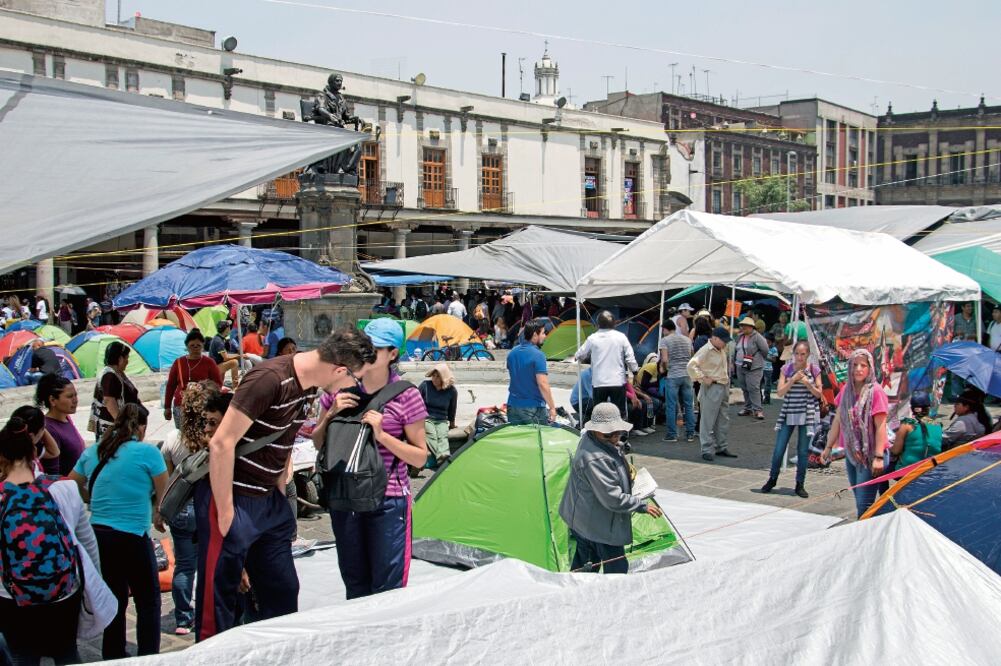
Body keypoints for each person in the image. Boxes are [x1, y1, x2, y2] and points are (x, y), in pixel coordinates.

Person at [198, 328, 375, 639]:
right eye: (354, 378)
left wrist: (280, 488)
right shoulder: (268, 378)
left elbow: (286, 436)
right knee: (220, 603)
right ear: (339, 370)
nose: (355, 387)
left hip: (269, 502)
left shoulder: (308, 388)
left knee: (282, 590)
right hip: (235, 499)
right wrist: (226, 513)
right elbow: (221, 443)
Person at [312, 319, 428, 599]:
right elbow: (317, 443)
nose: (367, 355)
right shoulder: (338, 391)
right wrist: (329, 415)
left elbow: (421, 457)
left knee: (387, 588)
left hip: (387, 499)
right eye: (364, 348)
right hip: (346, 497)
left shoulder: (406, 395)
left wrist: (383, 436)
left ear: (393, 354)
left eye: (375, 349)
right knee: (355, 584)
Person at [0, 414, 106, 666]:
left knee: (23, 655)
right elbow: (88, 543)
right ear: (34, 454)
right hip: (62, 590)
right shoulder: (65, 488)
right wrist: (94, 585)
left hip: (11, 595)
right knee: (66, 652)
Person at [69, 404, 167, 659]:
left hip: (99, 536)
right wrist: (157, 511)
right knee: (148, 601)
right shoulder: (147, 452)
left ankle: (112, 655)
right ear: (141, 427)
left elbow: (70, 485)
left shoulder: (94, 452)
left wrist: (89, 496)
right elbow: (163, 492)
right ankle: (149, 656)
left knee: (114, 599)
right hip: (133, 535)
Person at [558, 402, 664, 574]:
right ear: (596, 430)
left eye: (618, 433)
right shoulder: (594, 459)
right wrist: (641, 505)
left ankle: (579, 593)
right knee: (615, 568)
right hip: (595, 523)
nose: (615, 438)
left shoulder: (592, 438)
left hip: (585, 518)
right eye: (609, 435)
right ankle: (607, 597)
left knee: (586, 565)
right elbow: (612, 498)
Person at [160, 382, 222, 636]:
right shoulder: (213, 437)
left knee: (184, 565)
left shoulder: (173, 439)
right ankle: (207, 611)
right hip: (206, 508)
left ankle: (183, 619)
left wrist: (159, 510)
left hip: (180, 511)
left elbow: (166, 480)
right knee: (210, 562)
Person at [821, 349, 889, 518]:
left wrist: (879, 457)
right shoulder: (846, 391)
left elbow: (881, 426)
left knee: (864, 504)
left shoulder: (876, 391)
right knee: (860, 498)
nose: (858, 369)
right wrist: (828, 447)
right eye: (855, 365)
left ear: (870, 368)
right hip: (852, 453)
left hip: (871, 455)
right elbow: (838, 420)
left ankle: (866, 538)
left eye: (863, 365)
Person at [761, 340, 823, 498]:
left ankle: (799, 484)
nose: (800, 357)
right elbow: (780, 392)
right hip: (789, 412)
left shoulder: (814, 370)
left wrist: (808, 384)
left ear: (808, 354)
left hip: (806, 414)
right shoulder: (786, 368)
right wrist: (792, 380)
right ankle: (772, 478)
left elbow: (819, 394)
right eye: (797, 354)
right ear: (793, 354)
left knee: (802, 452)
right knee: (779, 448)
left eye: (803, 354)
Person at [574, 311, 639, 417]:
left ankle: (602, 433)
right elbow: (630, 358)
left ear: (598, 324)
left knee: (600, 413)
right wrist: (635, 371)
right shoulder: (621, 337)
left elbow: (580, 354)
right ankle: (619, 433)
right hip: (617, 382)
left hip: (599, 382)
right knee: (619, 413)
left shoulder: (593, 338)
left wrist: (578, 357)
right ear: (614, 323)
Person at [687, 327, 738, 462]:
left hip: (722, 385)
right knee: (707, 420)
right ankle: (706, 449)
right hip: (712, 387)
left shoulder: (720, 349)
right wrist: (703, 378)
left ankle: (721, 446)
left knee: (723, 419)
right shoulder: (705, 350)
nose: (725, 344)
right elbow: (691, 365)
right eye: (723, 341)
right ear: (715, 338)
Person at [164, 329, 224, 429]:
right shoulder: (179, 362)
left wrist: (205, 390)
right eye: (192, 346)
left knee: (201, 433)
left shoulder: (209, 362)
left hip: (203, 405)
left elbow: (217, 384)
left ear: (203, 346)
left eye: (198, 345)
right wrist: (167, 407)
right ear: (187, 346)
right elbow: (170, 386)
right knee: (182, 435)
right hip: (181, 405)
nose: (195, 348)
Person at [506, 320, 557, 425]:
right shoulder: (538, 355)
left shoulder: (512, 353)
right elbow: (542, 383)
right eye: (543, 333)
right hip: (532, 408)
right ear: (535, 335)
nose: (545, 336)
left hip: (513, 406)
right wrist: (552, 407)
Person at [89, 340, 140, 441]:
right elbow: (108, 400)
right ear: (120, 359)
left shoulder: (117, 373)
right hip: (111, 430)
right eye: (126, 358)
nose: (127, 361)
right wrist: (121, 425)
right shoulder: (109, 376)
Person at [36, 374, 85, 476]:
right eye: (69, 396)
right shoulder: (49, 429)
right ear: (53, 400)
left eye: (75, 395)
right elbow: (53, 471)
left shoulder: (67, 418)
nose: (75, 400)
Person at [659, 318, 695, 443]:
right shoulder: (687, 339)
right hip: (687, 375)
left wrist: (665, 369)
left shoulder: (664, 341)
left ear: (665, 329)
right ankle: (690, 434)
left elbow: (664, 359)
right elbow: (692, 356)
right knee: (689, 405)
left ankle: (672, 434)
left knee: (671, 406)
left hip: (673, 375)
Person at [890, 392, 943, 469]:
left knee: (883, 466)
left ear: (912, 409)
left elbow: (896, 451)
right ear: (928, 408)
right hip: (931, 469)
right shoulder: (938, 425)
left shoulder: (906, 424)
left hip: (907, 471)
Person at [418, 364, 458, 467]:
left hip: (442, 420)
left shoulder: (452, 391)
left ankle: (443, 457)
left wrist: (452, 424)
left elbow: (452, 410)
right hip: (426, 418)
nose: (434, 379)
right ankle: (443, 458)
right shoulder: (425, 385)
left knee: (443, 436)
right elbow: (415, 403)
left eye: (438, 376)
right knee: (432, 435)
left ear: (444, 377)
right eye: (433, 376)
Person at [734, 316, 770, 420]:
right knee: (744, 387)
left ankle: (758, 410)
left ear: (751, 327)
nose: (743, 327)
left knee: (753, 388)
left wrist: (757, 359)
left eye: (745, 326)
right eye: (742, 325)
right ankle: (748, 408)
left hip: (754, 366)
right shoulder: (740, 336)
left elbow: (765, 350)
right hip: (740, 364)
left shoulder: (757, 336)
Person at [209, 320, 241, 386]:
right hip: (214, 368)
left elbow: (225, 355)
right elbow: (226, 357)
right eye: (229, 327)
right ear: (226, 329)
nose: (230, 329)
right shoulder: (219, 341)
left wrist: (239, 355)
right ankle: (235, 386)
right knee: (234, 362)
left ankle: (219, 385)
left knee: (228, 362)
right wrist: (239, 356)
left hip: (217, 365)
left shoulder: (219, 338)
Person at [762, 333, 779, 405]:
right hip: (760, 368)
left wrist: (767, 357)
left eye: (768, 342)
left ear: (772, 342)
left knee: (767, 385)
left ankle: (767, 399)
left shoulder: (774, 349)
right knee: (759, 384)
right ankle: (759, 398)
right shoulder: (762, 347)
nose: (767, 344)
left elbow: (774, 360)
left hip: (768, 369)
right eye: (765, 342)